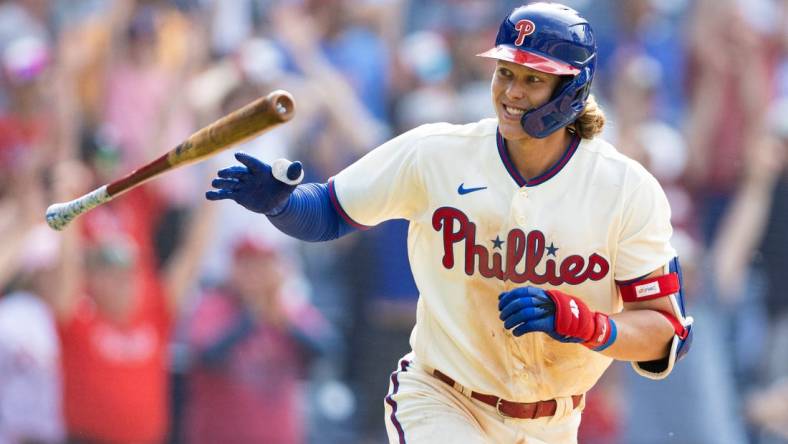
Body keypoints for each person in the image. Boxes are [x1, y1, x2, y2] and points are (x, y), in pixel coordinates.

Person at [206, 3, 694, 443]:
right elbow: (327, 213)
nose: (511, 92)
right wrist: (280, 204)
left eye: (532, 79)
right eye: (505, 72)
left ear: (574, 90)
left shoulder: (626, 189)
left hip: (555, 423)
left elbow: (665, 332)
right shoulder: (437, 152)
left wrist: (584, 324)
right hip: (442, 399)